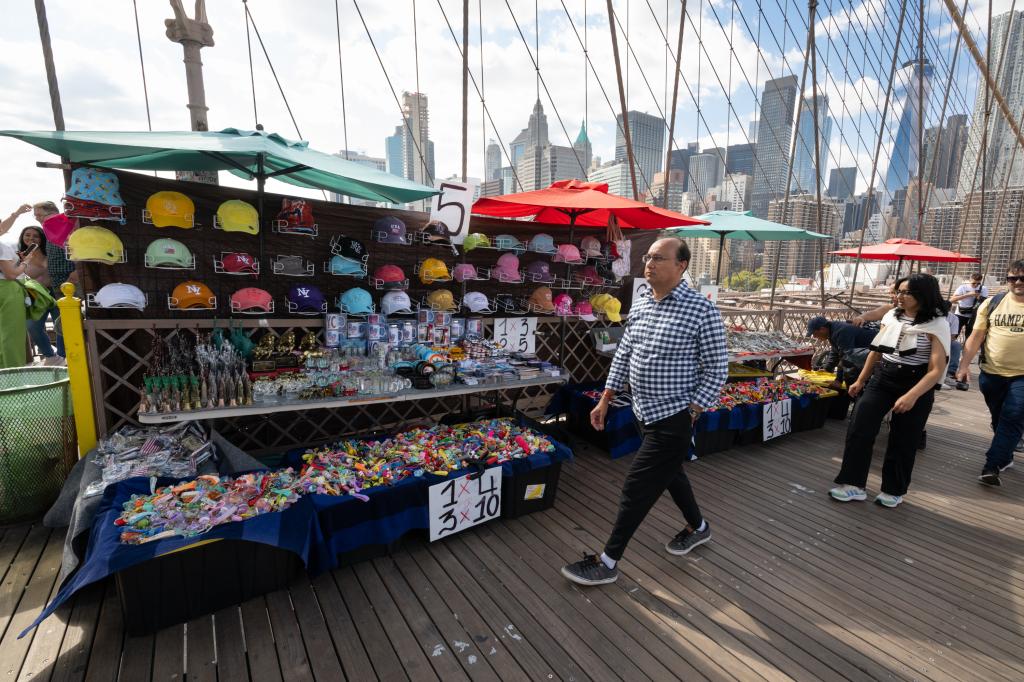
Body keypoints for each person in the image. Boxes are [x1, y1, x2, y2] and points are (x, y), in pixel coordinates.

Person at [561, 237, 728, 585]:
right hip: (642, 411)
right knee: (670, 474)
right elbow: (625, 354)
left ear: (681, 266)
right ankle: (698, 527)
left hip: (674, 416)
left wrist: (693, 410)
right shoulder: (640, 304)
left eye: (659, 258)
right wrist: (606, 398)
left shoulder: (702, 310)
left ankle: (607, 562)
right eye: (648, 257)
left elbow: (717, 369)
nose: (649, 263)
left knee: (637, 486)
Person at [830, 273, 951, 508]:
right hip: (883, 377)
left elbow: (936, 369)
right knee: (860, 428)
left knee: (904, 438)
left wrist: (912, 395)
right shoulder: (891, 316)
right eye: (898, 291)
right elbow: (876, 350)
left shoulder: (937, 324)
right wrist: (861, 380)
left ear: (923, 295)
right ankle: (853, 484)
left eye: (906, 292)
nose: (899, 297)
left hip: (916, 382)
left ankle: (893, 489)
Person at [955, 259, 1024, 486]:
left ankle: (992, 465)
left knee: (1013, 415)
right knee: (999, 417)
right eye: (1013, 278)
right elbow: (976, 337)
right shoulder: (993, 303)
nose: (1018, 282)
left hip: (1021, 376)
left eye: (1023, 277)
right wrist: (964, 365)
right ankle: (1006, 453)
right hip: (991, 372)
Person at [34, 201, 73, 357]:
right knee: (64, 322)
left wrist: (77, 270)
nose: (37, 218)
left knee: (69, 321)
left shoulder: (60, 224)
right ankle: (65, 356)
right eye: (35, 215)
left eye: (39, 214)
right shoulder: (49, 228)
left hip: (70, 280)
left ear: (53, 212)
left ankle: (68, 356)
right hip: (59, 283)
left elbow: (74, 247)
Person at [17, 226, 61, 364]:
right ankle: (51, 356)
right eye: (27, 235)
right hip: (35, 296)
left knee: (61, 326)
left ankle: (63, 355)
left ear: (42, 238)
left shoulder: (52, 253)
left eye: (35, 236)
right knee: (32, 327)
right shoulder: (19, 256)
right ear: (22, 238)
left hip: (56, 293)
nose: (31, 238)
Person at [806, 315, 877, 388]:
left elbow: (845, 357)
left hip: (874, 351)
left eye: (814, 333)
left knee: (851, 376)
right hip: (863, 352)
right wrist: (827, 369)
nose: (814, 337)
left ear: (822, 329)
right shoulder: (831, 329)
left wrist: (838, 380)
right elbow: (835, 350)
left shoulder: (841, 331)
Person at [0, 237, 30, 368]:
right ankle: (15, 375)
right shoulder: (3, 246)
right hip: (7, 289)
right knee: (13, 335)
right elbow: (11, 275)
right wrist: (26, 262)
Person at [951, 272, 988, 341]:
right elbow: (952, 299)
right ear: (970, 280)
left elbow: (985, 302)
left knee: (970, 337)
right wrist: (969, 294)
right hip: (960, 314)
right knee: (954, 334)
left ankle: (966, 350)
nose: (976, 285)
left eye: (978, 283)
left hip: (973, 315)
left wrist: (979, 297)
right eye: (973, 283)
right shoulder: (963, 287)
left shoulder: (983, 288)